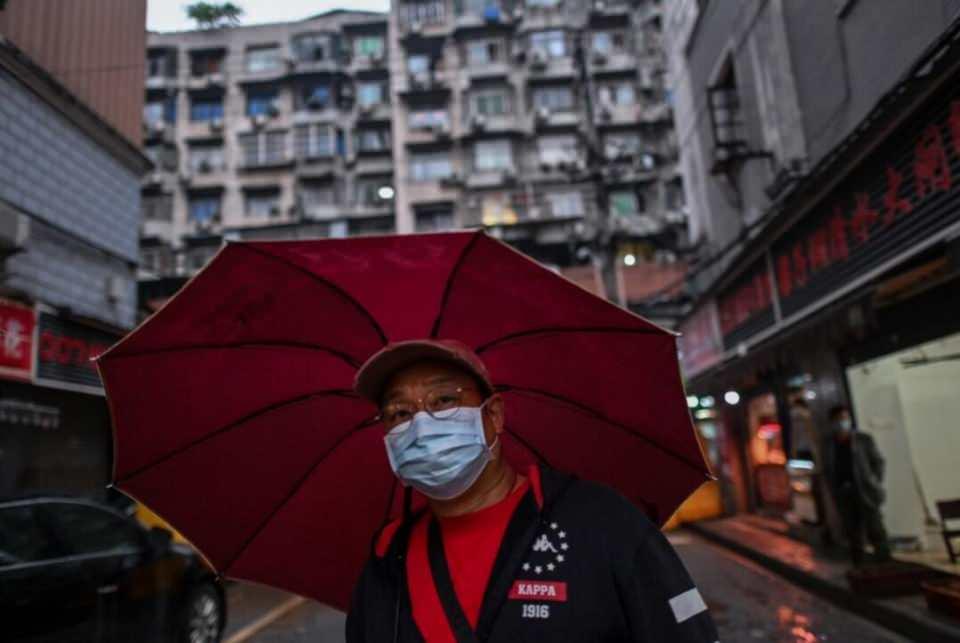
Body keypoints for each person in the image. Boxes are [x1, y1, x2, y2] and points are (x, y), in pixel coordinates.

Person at [346, 339, 719, 643]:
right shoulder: (387, 555)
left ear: (493, 416)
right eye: (399, 412)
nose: (421, 425)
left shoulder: (604, 523)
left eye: (444, 400)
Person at [821, 404, 892, 565]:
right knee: (853, 534)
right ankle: (860, 568)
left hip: (865, 491)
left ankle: (885, 566)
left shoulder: (863, 439)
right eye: (839, 419)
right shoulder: (828, 444)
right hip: (844, 494)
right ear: (832, 422)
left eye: (845, 418)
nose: (842, 422)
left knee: (876, 530)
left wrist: (873, 481)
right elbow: (827, 469)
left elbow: (878, 462)